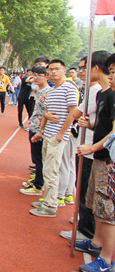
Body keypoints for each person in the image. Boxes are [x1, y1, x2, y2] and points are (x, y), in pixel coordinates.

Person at [76, 51, 115, 272]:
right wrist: (88, 125)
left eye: (114, 72)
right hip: (98, 157)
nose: (111, 76)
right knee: (97, 205)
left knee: (107, 209)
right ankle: (96, 242)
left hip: (107, 158)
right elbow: (102, 126)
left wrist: (92, 147)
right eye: (111, 71)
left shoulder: (113, 96)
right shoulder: (102, 94)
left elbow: (113, 132)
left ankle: (106, 260)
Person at [29, 59, 78, 217]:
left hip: (57, 136)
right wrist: (41, 130)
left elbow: (73, 112)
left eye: (57, 69)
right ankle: (47, 199)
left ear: (64, 71)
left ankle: (50, 206)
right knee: (46, 169)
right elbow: (46, 111)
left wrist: (62, 133)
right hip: (47, 134)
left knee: (52, 171)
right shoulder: (51, 91)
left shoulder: (69, 88)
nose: (53, 72)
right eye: (50, 69)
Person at [60, 56, 100, 241]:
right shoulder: (90, 89)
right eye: (80, 68)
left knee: (85, 190)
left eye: (85, 68)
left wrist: (62, 130)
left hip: (91, 148)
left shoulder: (97, 91)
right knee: (82, 187)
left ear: (97, 68)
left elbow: (76, 112)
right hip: (85, 145)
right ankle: (83, 222)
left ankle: (85, 231)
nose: (81, 71)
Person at [20, 66, 50, 196]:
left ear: (46, 77)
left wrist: (41, 131)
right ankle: (37, 181)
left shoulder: (48, 92)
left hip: (39, 130)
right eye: (34, 75)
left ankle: (38, 186)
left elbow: (46, 113)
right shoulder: (38, 90)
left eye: (39, 75)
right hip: (34, 126)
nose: (36, 78)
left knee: (39, 158)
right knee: (36, 157)